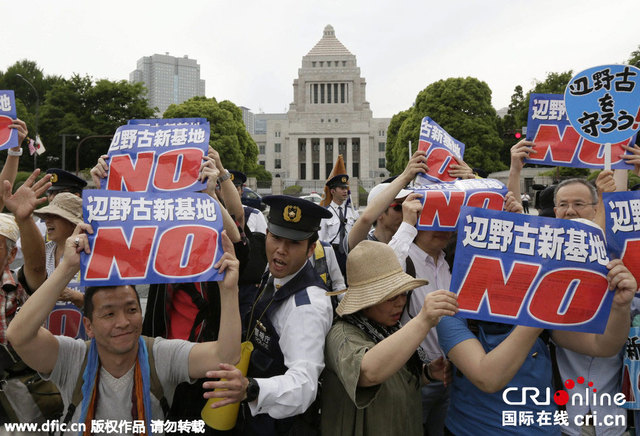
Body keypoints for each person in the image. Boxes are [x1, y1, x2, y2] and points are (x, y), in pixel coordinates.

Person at [436, 185, 637, 435]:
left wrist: (620, 307)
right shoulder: (450, 314)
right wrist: (536, 312)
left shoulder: (532, 308)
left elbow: (602, 346)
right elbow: (488, 377)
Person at [6, 224, 242, 434]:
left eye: (131, 310)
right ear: (88, 326)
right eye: (109, 313)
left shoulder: (160, 355)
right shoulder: (72, 357)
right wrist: (67, 267)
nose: (123, 322)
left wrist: (229, 290)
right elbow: (19, 335)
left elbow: (225, 356)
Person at [202, 195, 334, 436]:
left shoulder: (306, 307)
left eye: (293, 243)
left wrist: (251, 389)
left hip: (279, 424)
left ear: (311, 249)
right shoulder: (276, 272)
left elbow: (304, 384)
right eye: (276, 238)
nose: (280, 251)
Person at [320, 240, 458, 435]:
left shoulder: (388, 327)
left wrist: (426, 373)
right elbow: (369, 372)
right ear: (366, 300)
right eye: (392, 297)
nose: (401, 302)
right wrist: (423, 321)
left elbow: (395, 373)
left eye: (404, 294)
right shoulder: (342, 334)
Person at [552, 175, 628, 436]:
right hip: (563, 418)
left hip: (617, 416)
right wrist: (516, 170)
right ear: (554, 211)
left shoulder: (621, 263)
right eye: (563, 204)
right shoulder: (545, 258)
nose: (570, 210)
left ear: (596, 209)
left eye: (579, 204)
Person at [319, 174, 358, 276]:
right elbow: (321, 239)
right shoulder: (325, 214)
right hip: (333, 253)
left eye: (346, 188)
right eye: (341, 188)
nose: (345, 191)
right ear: (332, 191)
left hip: (349, 253)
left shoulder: (353, 212)